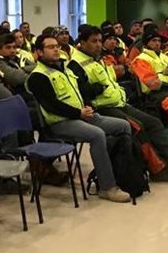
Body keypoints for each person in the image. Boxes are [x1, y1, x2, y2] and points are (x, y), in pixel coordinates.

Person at [69, 26, 168, 181]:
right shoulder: (76, 64)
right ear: (83, 43)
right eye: (94, 41)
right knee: (138, 127)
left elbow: (115, 77)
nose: (99, 44)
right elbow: (82, 92)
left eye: (100, 40)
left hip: (119, 103)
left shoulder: (98, 59)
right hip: (101, 108)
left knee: (154, 123)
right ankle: (157, 170)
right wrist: (99, 88)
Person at [26, 34, 133, 203]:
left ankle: (124, 175)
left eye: (57, 46)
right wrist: (79, 114)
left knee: (123, 126)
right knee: (97, 135)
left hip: (82, 116)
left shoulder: (65, 69)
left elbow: (79, 93)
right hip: (60, 123)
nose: (56, 49)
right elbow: (52, 105)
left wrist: (87, 106)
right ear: (39, 52)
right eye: (50, 47)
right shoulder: (38, 76)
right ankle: (107, 187)